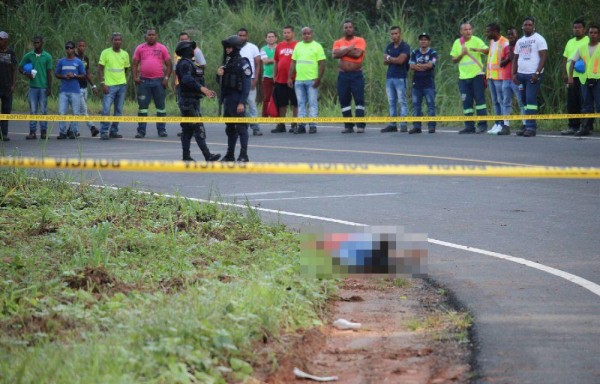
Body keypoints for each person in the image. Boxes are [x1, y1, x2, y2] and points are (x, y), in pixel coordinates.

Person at [174, 40, 220, 162]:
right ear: (185, 50)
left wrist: (205, 91)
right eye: (191, 48)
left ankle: (186, 156)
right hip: (188, 102)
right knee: (198, 128)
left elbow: (194, 81)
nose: (193, 50)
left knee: (188, 130)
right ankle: (207, 155)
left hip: (191, 100)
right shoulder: (184, 64)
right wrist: (203, 89)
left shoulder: (190, 63)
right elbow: (187, 80)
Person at [217, 35, 252, 162]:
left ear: (236, 48)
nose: (227, 50)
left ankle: (244, 155)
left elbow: (247, 85)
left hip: (237, 99)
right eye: (226, 47)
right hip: (228, 100)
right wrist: (218, 74)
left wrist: (242, 102)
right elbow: (221, 82)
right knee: (230, 128)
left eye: (229, 47)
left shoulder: (243, 63)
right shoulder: (227, 63)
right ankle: (230, 154)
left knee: (241, 127)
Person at [132, 28, 172, 138]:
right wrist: (135, 77)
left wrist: (166, 78)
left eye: (153, 34)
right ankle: (141, 131)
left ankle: (161, 130)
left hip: (158, 82)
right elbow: (135, 64)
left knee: (161, 107)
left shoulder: (162, 48)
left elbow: (169, 65)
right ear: (146, 36)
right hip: (144, 82)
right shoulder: (140, 48)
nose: (151, 36)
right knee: (143, 107)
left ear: (156, 36)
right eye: (149, 34)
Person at [450, 22, 488, 134]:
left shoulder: (476, 40)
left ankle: (482, 125)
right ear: (461, 32)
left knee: (480, 102)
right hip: (463, 77)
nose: (468, 31)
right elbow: (454, 60)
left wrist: (478, 50)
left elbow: (487, 51)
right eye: (465, 30)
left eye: (470, 29)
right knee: (466, 103)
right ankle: (469, 126)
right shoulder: (457, 43)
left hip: (477, 75)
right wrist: (462, 54)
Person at [512, 17, 548, 137]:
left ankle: (531, 128)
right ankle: (527, 125)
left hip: (532, 76)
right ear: (522, 27)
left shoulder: (539, 39)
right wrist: (514, 74)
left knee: (531, 99)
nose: (527, 26)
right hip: (521, 75)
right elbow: (515, 58)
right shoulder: (520, 41)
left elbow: (543, 57)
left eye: (529, 25)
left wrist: (537, 73)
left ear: (533, 26)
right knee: (524, 102)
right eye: (525, 25)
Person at [288, 27, 326, 134]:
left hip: (312, 80)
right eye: (304, 34)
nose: (306, 35)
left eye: (308, 33)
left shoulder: (317, 46)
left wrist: (319, 78)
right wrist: (289, 77)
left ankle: (313, 125)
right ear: (301, 35)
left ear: (312, 34)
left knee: (312, 103)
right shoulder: (298, 45)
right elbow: (293, 62)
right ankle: (301, 125)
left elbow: (322, 63)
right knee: (301, 103)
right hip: (299, 80)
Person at [333, 20, 367, 133]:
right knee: (344, 100)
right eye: (346, 27)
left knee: (359, 100)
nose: (348, 29)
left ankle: (360, 125)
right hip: (343, 75)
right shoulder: (338, 42)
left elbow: (358, 54)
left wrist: (342, 52)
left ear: (353, 28)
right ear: (343, 29)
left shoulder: (359, 40)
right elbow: (334, 54)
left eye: (350, 27)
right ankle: (348, 125)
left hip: (356, 75)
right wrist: (348, 49)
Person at [173, 31, 208, 138]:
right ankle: (186, 129)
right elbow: (176, 70)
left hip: (193, 84)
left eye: (186, 39)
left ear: (189, 39)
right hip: (181, 84)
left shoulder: (196, 51)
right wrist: (175, 83)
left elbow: (202, 65)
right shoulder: (177, 52)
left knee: (195, 108)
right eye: (182, 39)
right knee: (183, 107)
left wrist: (196, 77)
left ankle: (199, 130)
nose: (184, 41)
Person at [568, 23, 599, 137]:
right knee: (586, 105)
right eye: (591, 32)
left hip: (598, 80)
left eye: (595, 33)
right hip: (585, 80)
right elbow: (572, 62)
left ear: (599, 34)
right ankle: (585, 128)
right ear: (588, 33)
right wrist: (570, 77)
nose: (593, 35)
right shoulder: (582, 48)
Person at [18, 35, 53, 140]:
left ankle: (43, 132)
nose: (36, 44)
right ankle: (32, 132)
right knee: (33, 110)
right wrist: (26, 73)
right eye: (34, 43)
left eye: (38, 42)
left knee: (43, 110)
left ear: (42, 43)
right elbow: (20, 67)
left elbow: (49, 73)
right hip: (33, 87)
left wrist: (49, 87)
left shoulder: (47, 56)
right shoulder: (29, 55)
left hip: (43, 87)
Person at [98, 32, 129, 140]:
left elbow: (125, 69)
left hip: (121, 86)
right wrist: (103, 84)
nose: (117, 41)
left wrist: (121, 81)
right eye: (115, 40)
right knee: (106, 109)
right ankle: (104, 131)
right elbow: (100, 69)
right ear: (112, 41)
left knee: (118, 110)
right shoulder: (105, 53)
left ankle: (114, 131)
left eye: (119, 40)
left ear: (121, 41)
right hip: (109, 86)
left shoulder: (125, 54)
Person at [562, 19, 590, 135]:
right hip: (571, 77)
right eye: (575, 27)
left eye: (579, 27)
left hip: (584, 77)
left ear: (584, 29)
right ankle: (573, 126)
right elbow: (565, 59)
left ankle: (586, 127)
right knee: (572, 102)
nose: (577, 29)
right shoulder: (570, 42)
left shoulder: (588, 40)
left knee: (584, 102)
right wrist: (565, 74)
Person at [381, 26, 410, 133]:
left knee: (402, 101)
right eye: (392, 34)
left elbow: (400, 60)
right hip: (390, 77)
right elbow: (384, 61)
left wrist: (389, 58)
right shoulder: (389, 46)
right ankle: (392, 124)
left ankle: (403, 124)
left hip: (400, 77)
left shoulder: (405, 46)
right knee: (391, 101)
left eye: (396, 33)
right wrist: (391, 59)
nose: (394, 36)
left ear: (400, 34)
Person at [498, 27, 526, 135]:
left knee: (521, 101)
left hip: (516, 78)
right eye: (508, 34)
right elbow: (501, 63)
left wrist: (510, 55)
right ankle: (506, 125)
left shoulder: (520, 45)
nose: (510, 36)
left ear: (517, 34)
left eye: (512, 34)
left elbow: (514, 57)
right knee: (506, 102)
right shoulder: (506, 47)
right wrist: (508, 57)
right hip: (506, 78)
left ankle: (525, 124)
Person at [55, 41, 86, 139]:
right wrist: (64, 76)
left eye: (71, 48)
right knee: (61, 112)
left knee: (75, 112)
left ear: (74, 49)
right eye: (67, 48)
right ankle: (62, 132)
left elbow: (83, 75)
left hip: (75, 90)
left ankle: (73, 130)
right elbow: (56, 74)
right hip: (64, 90)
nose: (69, 49)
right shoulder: (61, 61)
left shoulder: (78, 62)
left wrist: (74, 75)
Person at [409, 32, 437, 134]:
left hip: (428, 83)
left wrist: (419, 66)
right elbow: (411, 66)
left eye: (425, 39)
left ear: (428, 41)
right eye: (421, 39)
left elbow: (431, 65)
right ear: (419, 41)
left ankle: (431, 126)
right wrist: (424, 66)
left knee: (431, 104)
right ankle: (417, 126)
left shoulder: (432, 52)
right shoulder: (415, 52)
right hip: (417, 83)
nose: (423, 41)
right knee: (416, 105)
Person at [271, 26, 298, 133]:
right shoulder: (280, 46)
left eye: (288, 32)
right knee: (281, 103)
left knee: (295, 102)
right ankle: (281, 124)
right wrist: (274, 75)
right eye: (284, 32)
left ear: (293, 33)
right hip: (280, 79)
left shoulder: (297, 45)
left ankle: (294, 124)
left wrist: (292, 77)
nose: (286, 34)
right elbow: (276, 61)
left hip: (294, 79)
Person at [237, 28, 262, 136]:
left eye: (244, 35)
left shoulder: (253, 47)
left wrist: (255, 79)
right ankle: (243, 125)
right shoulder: (234, 48)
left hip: (249, 79)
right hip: (237, 81)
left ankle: (255, 127)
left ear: (247, 36)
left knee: (251, 103)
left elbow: (258, 64)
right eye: (240, 35)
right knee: (239, 104)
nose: (242, 37)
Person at [485, 23, 509, 134]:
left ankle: (503, 124)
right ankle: (497, 122)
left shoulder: (504, 42)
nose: (487, 33)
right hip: (491, 75)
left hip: (499, 77)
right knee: (495, 101)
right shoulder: (491, 42)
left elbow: (507, 59)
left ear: (495, 31)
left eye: (488, 31)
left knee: (501, 100)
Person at [75, 39, 99, 137]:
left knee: (78, 111)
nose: (82, 47)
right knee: (84, 110)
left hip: (85, 87)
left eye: (83, 46)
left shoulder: (86, 58)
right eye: (80, 45)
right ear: (77, 47)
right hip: (76, 88)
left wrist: (93, 86)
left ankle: (72, 130)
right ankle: (92, 127)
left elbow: (87, 73)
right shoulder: (74, 58)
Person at [0, 31, 17, 142]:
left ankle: (3, 134)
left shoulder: (11, 53)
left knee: (6, 110)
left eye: (1, 39)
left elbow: (14, 69)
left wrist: (13, 84)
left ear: (6, 40)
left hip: (7, 86)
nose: (0, 41)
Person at [260, 31, 277, 118]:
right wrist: (276, 59)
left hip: (278, 76)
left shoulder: (279, 47)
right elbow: (265, 61)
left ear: (276, 38)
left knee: (278, 97)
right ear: (266, 39)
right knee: (267, 97)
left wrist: (271, 59)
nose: (271, 38)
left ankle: (276, 116)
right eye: (269, 37)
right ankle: (264, 116)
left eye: (272, 36)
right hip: (267, 76)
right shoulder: (263, 49)